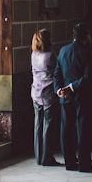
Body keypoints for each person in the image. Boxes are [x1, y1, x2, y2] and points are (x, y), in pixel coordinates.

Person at [53, 22, 92, 172]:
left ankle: (70, 163)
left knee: (66, 130)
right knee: (83, 130)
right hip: (82, 96)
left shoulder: (63, 51)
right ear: (86, 36)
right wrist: (71, 88)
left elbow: (57, 73)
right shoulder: (88, 51)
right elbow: (88, 77)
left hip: (65, 97)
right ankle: (84, 164)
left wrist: (59, 89)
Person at [31, 29, 60, 166]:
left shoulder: (34, 54)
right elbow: (58, 72)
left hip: (36, 93)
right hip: (49, 94)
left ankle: (38, 156)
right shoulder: (51, 55)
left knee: (38, 125)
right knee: (48, 126)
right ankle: (47, 157)